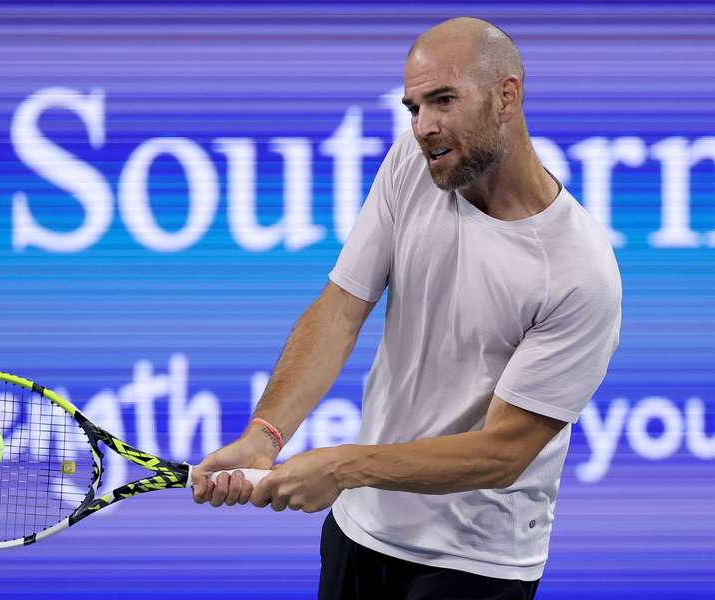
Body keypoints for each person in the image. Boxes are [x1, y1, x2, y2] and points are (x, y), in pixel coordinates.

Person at [191, 16, 621, 600]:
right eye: (413, 108)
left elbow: (502, 453)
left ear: (506, 97)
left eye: (443, 100)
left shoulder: (578, 271)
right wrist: (265, 434)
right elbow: (342, 307)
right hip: (358, 534)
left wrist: (343, 467)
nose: (424, 127)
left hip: (474, 566)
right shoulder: (412, 166)